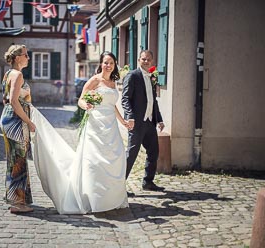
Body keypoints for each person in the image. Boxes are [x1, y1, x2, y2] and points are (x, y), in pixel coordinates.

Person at [31, 51, 129, 214]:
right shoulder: (95, 80)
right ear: (101, 64)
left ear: (115, 65)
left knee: (116, 158)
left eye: (111, 62)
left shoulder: (113, 82)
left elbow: (113, 105)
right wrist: (87, 106)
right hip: (96, 124)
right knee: (94, 162)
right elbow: (81, 99)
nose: (108, 65)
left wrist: (123, 121)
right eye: (105, 62)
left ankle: (110, 198)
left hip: (111, 126)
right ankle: (92, 199)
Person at [121, 50, 165, 194]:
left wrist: (159, 119)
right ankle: (119, 186)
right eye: (143, 59)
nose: (146, 61)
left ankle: (148, 182)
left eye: (148, 59)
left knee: (154, 152)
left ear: (152, 61)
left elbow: (153, 102)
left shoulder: (151, 77)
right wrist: (130, 117)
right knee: (132, 153)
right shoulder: (132, 76)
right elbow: (125, 99)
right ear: (139, 60)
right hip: (136, 122)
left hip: (149, 122)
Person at [0, 44, 36, 214]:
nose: (28, 57)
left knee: (15, 160)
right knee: (18, 161)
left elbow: (5, 99)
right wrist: (29, 121)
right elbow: (14, 102)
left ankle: (17, 199)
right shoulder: (18, 75)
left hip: (8, 118)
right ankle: (17, 203)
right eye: (25, 54)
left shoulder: (8, 74)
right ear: (17, 58)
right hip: (15, 121)